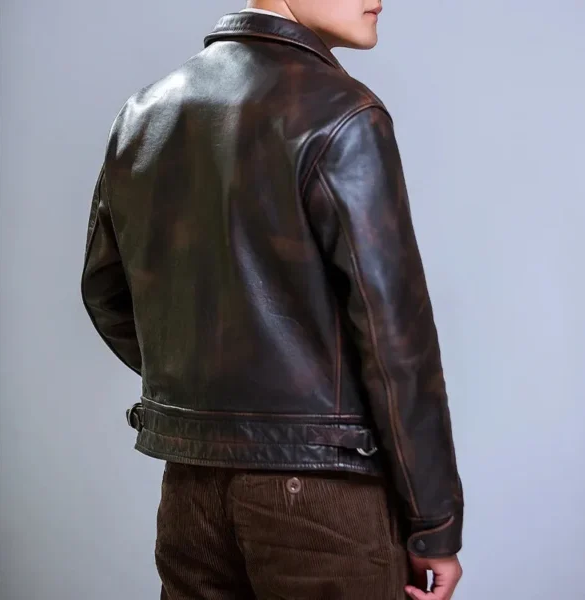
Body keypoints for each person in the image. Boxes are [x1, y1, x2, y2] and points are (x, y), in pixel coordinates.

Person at [80, 1, 464, 598]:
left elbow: (105, 290)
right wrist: (434, 524)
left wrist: (213, 395)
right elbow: (395, 341)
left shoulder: (144, 113)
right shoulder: (343, 113)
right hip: (322, 497)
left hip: (191, 488)